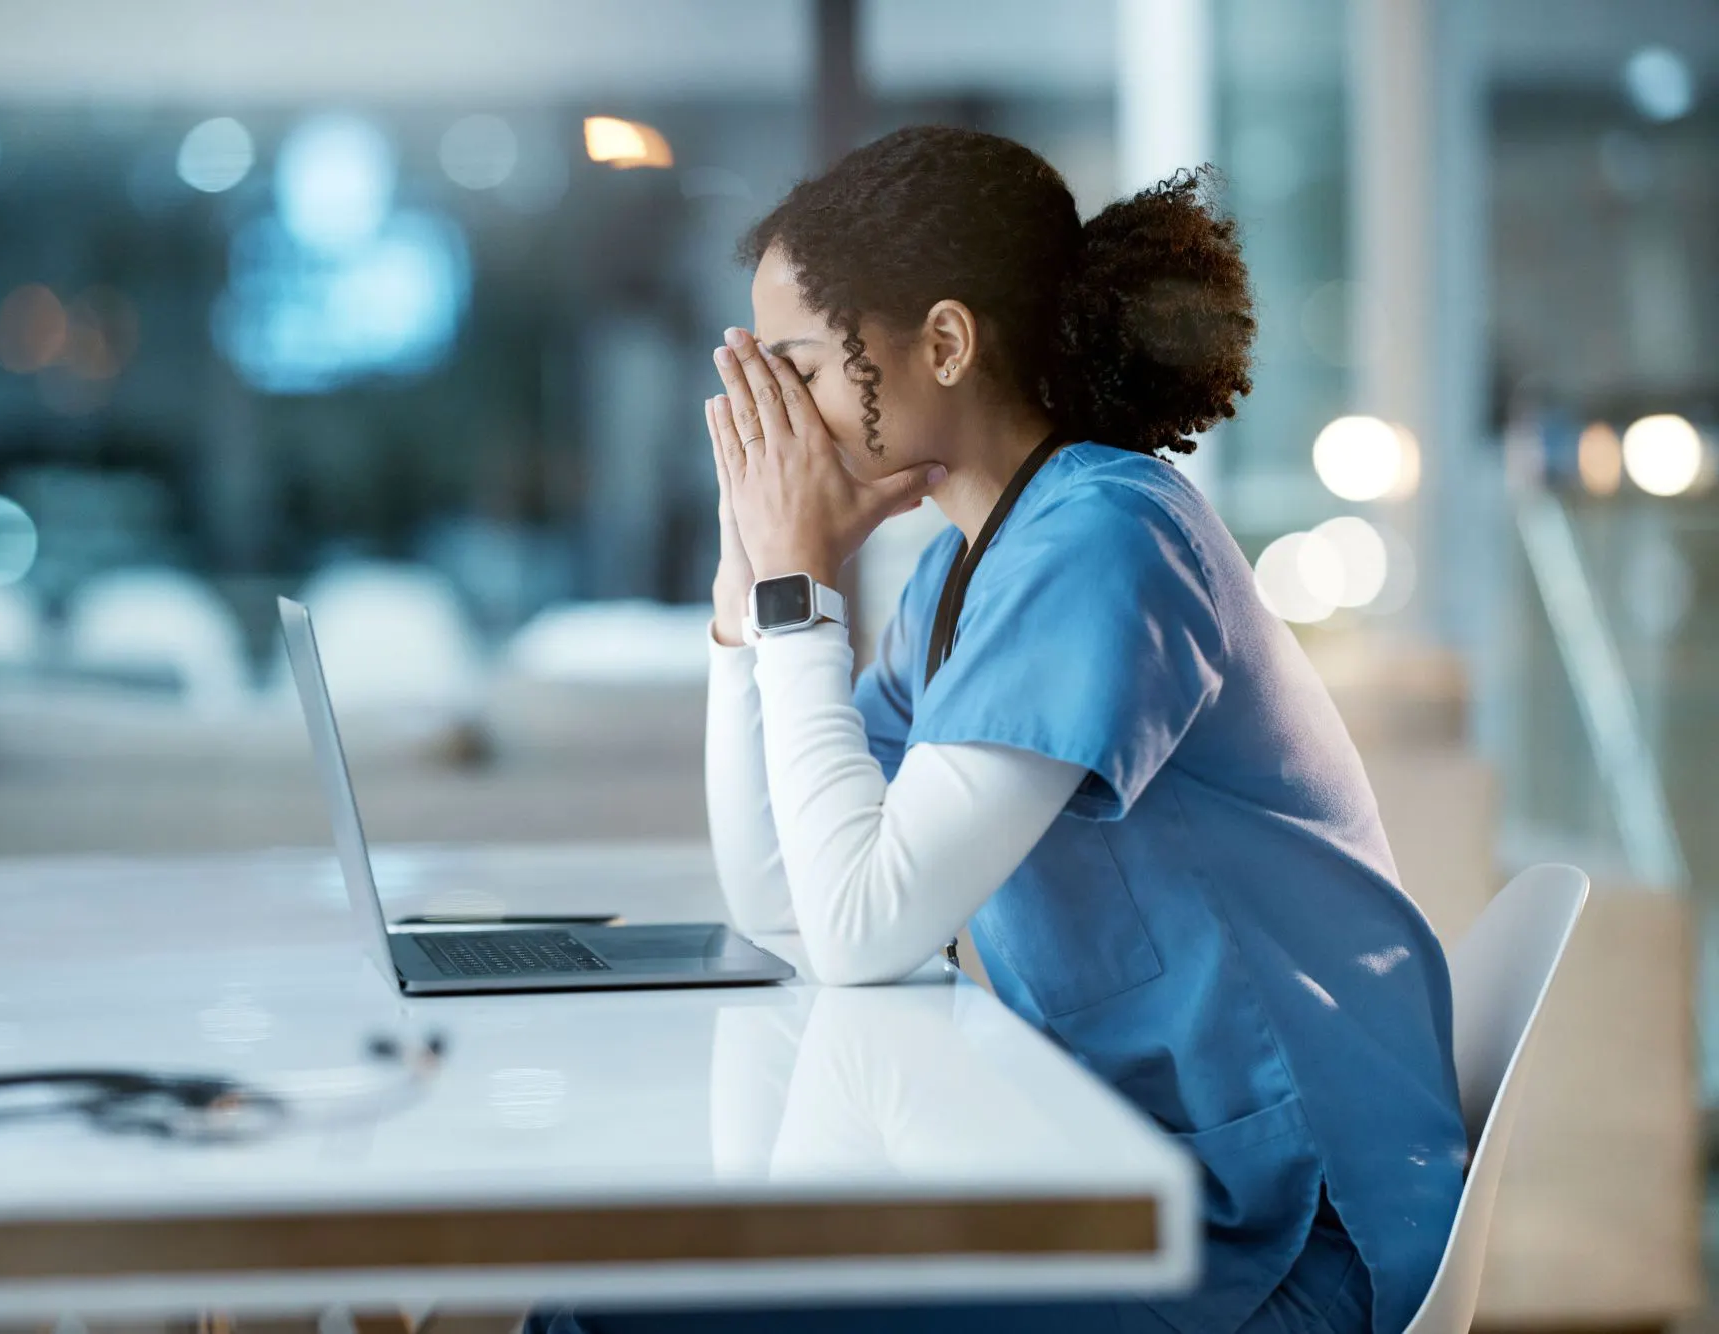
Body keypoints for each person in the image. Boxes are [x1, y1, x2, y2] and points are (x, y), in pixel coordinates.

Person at [534, 126, 1463, 1334]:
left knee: (606, 1314)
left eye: (801, 367)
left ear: (944, 342)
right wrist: (741, 595)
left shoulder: (1103, 540)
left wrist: (798, 594)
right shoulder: (959, 578)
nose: (784, 421)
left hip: (1271, 1238)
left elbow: (863, 929)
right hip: (1110, 1181)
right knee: (614, 1296)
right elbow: (789, 906)